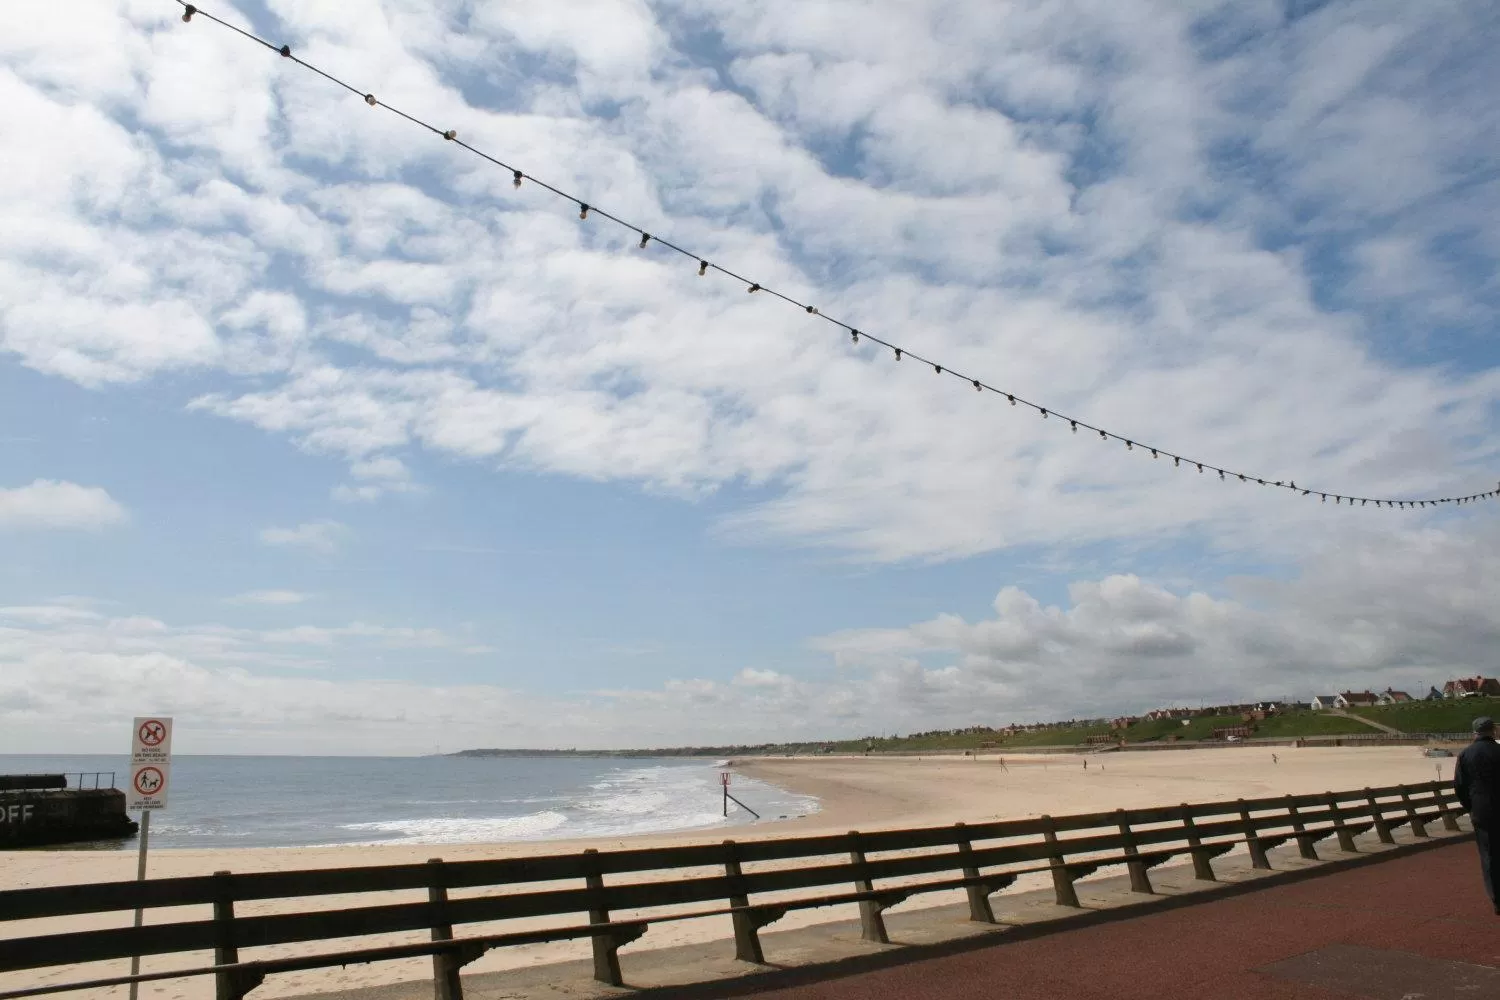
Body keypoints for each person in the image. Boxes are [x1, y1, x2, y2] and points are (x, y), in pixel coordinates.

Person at [1454, 716, 1500, 914]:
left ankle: (1497, 899)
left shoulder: (1465, 755)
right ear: (1493, 731)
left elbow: (1460, 786)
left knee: (1488, 854)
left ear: (1475, 732)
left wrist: (1471, 807)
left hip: (1481, 810)